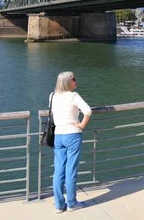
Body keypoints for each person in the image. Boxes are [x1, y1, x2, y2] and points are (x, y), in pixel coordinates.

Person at [50, 71, 92, 214]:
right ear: (68, 82)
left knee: (58, 170)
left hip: (58, 135)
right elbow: (88, 111)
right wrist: (81, 125)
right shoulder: (73, 96)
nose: (76, 81)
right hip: (72, 135)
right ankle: (71, 203)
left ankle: (58, 205)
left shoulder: (52, 96)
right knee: (71, 170)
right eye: (74, 79)